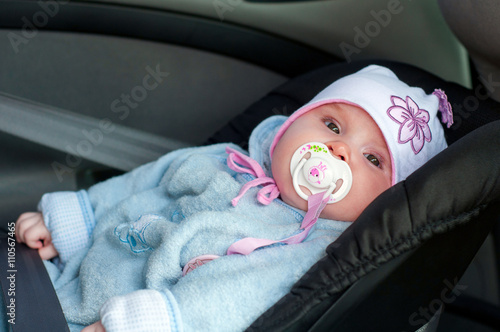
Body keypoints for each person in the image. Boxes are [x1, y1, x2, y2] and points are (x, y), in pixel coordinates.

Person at [15, 65, 453, 332]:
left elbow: (239, 298)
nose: (339, 150)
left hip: (134, 318)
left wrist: (163, 322)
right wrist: (75, 220)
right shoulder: (226, 161)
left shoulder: (312, 248)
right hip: (72, 272)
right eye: (332, 126)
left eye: (372, 158)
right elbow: (146, 181)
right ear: (291, 125)